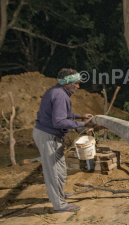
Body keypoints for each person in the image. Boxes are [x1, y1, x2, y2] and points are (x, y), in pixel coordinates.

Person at [33, 68, 95, 213]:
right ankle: (59, 205)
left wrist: (79, 116)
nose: (78, 87)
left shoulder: (56, 91)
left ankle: (58, 196)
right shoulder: (60, 96)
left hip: (48, 134)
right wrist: (84, 125)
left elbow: (63, 114)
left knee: (59, 170)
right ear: (68, 83)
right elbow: (59, 122)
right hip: (48, 136)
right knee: (54, 172)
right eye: (77, 83)